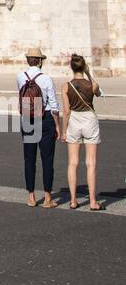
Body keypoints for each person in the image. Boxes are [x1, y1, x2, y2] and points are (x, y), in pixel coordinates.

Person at [16, 44, 60, 208]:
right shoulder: (46, 78)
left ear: (28, 61)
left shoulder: (20, 76)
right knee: (47, 159)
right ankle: (48, 197)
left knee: (29, 158)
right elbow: (54, 105)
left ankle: (31, 196)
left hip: (27, 115)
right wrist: (57, 126)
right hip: (45, 116)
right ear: (40, 61)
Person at [61, 54, 103, 210]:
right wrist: (89, 73)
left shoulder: (66, 86)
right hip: (89, 120)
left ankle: (73, 200)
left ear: (71, 67)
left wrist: (64, 131)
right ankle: (92, 202)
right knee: (91, 163)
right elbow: (98, 92)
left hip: (74, 121)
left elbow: (66, 111)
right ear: (84, 67)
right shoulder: (91, 84)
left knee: (73, 162)